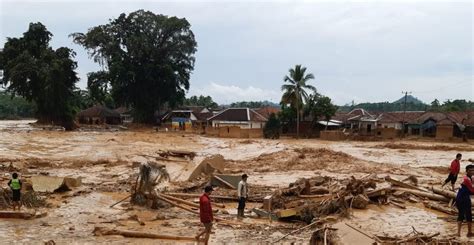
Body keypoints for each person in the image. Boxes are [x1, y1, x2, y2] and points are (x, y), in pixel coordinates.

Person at [456, 164, 474, 237]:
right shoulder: (466, 179)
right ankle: (458, 233)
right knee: (461, 215)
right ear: (466, 171)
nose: (472, 172)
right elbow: (472, 191)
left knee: (468, 214)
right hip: (461, 198)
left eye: (473, 170)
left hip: (465, 197)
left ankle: (469, 232)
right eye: (470, 170)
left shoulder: (471, 178)